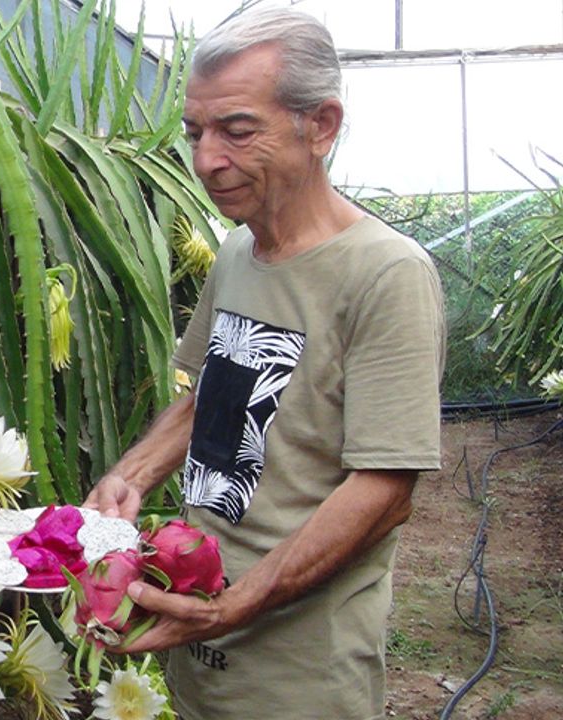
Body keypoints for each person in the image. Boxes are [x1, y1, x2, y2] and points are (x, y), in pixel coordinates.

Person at [84, 8, 445, 719]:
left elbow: (383, 489)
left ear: (322, 125)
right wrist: (130, 476)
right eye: (195, 133)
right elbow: (209, 393)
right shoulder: (238, 251)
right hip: (199, 635)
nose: (206, 159)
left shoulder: (386, 274)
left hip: (296, 672)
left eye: (237, 131)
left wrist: (235, 606)